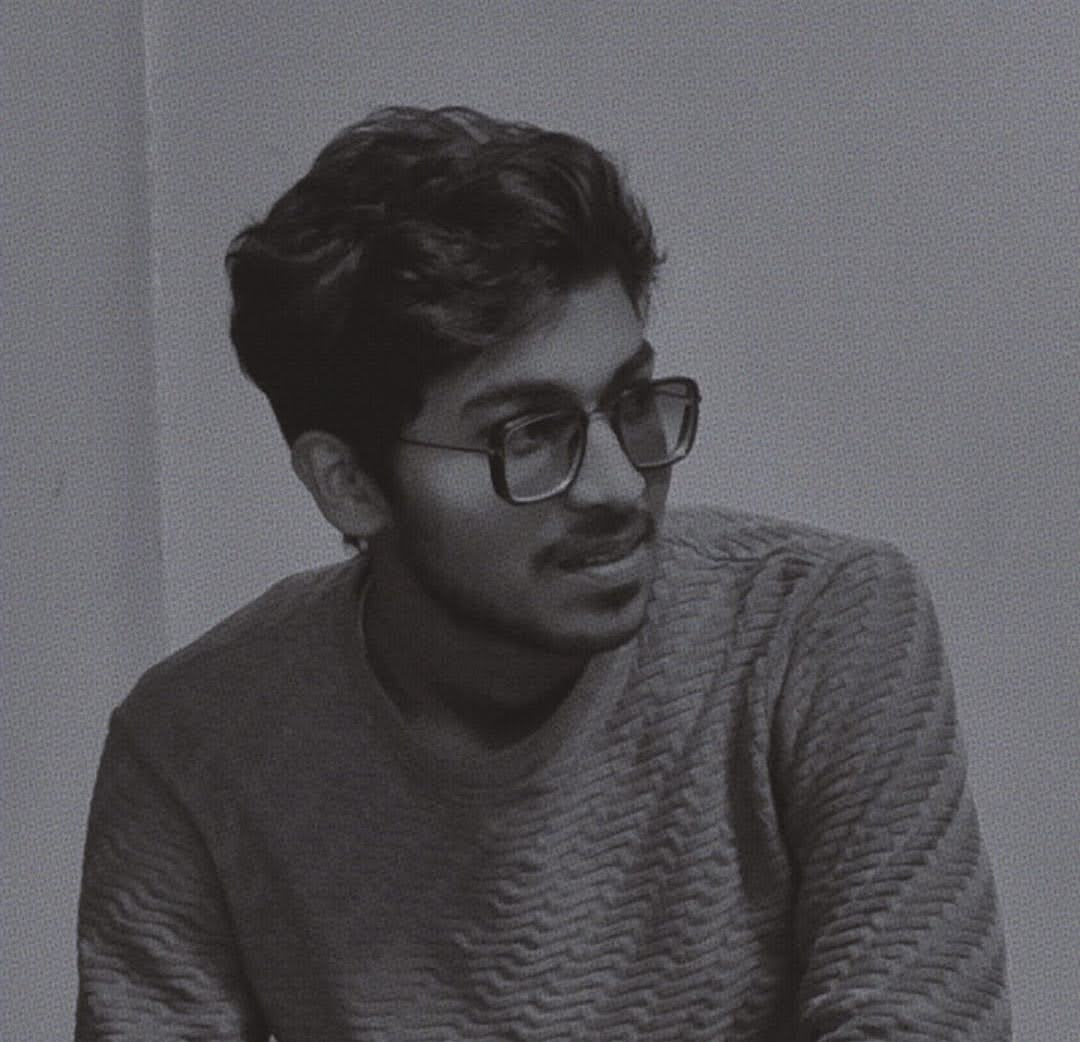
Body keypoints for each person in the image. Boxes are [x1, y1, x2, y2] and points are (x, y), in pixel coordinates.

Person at [75, 106, 1011, 1040]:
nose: (620, 484)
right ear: (350, 483)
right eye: (527, 434)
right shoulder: (192, 751)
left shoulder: (819, 630)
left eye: (631, 399)